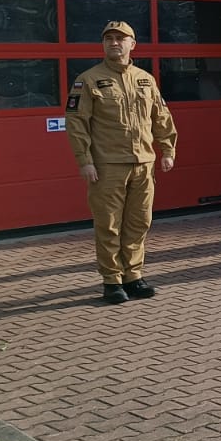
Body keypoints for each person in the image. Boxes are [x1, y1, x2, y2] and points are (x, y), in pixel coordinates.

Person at [65, 21, 177, 304]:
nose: (114, 43)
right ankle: (112, 281)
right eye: (109, 39)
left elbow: (161, 117)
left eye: (120, 38)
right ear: (103, 44)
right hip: (107, 166)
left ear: (132, 44)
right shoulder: (88, 80)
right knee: (109, 224)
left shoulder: (145, 79)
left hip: (143, 163)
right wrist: (85, 160)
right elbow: (77, 123)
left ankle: (134, 277)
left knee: (139, 223)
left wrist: (167, 149)